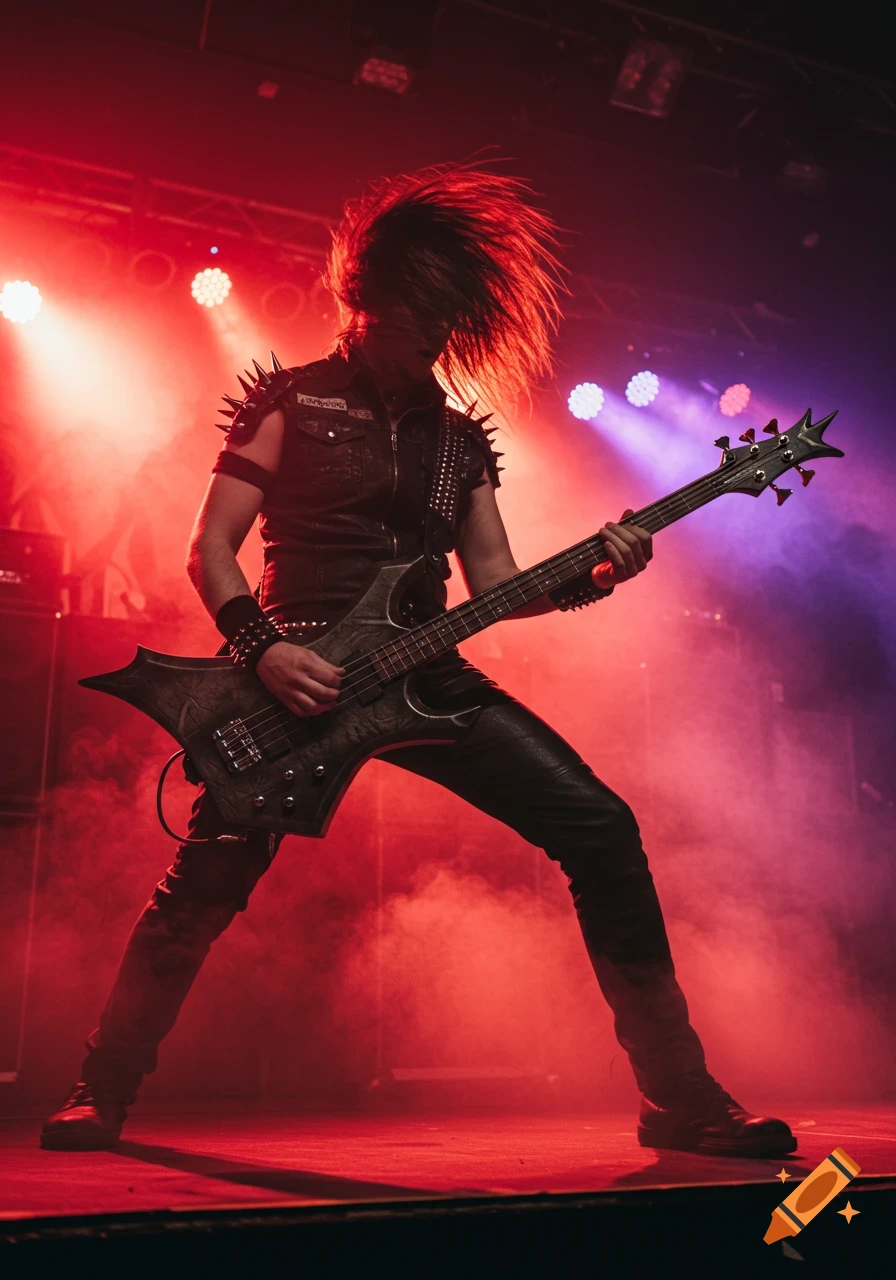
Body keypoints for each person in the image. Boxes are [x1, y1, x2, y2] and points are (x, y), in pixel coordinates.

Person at [42, 164, 795, 1158]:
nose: (432, 338)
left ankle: (680, 1097)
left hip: (425, 675)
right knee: (203, 885)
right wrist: (263, 653)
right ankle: (100, 1089)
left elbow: (497, 582)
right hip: (295, 679)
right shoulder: (289, 401)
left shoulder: (457, 441)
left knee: (601, 828)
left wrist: (597, 572)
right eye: (414, 314)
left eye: (445, 319)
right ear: (360, 302)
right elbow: (208, 547)